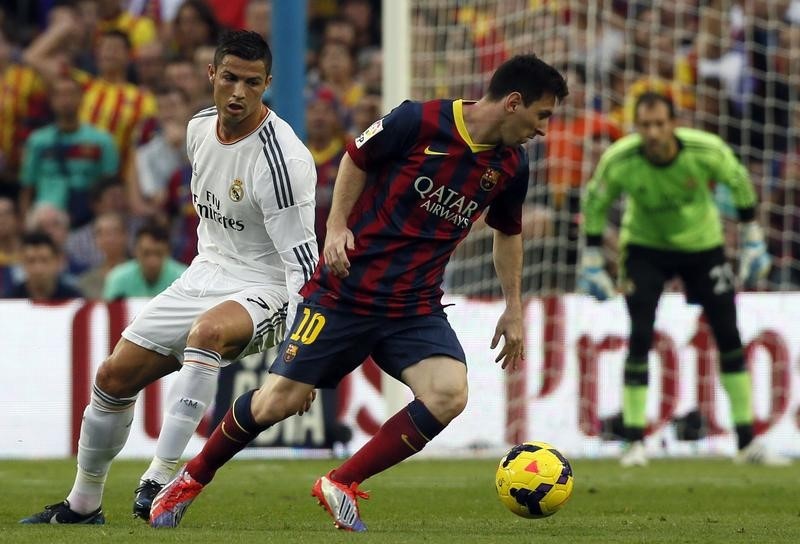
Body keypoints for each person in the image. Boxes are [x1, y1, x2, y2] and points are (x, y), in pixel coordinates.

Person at [149, 54, 569, 531]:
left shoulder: (512, 165)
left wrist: (514, 308)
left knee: (449, 394)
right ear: (514, 103)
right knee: (276, 402)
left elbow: (508, 232)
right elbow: (355, 156)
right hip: (345, 292)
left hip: (414, 306)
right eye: (542, 115)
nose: (542, 129)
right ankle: (189, 479)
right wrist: (335, 228)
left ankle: (341, 482)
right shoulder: (419, 119)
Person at [20, 29, 318, 525]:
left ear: (268, 83)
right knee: (113, 377)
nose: (238, 93)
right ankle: (83, 503)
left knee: (208, 334)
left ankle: (161, 480)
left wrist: (301, 360)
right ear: (211, 76)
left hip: (270, 285)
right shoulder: (199, 128)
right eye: (229, 79)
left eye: (252, 82)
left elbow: (303, 268)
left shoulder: (282, 160)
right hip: (207, 272)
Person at [577, 92, 789, 467]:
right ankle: (635, 442)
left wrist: (753, 235)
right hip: (644, 248)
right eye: (645, 125)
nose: (654, 133)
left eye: (660, 124)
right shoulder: (620, 160)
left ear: (674, 123)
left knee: (728, 333)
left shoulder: (705, 150)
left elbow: (738, 181)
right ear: (636, 127)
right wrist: (593, 256)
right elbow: (596, 202)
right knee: (640, 333)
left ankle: (745, 442)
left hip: (702, 247)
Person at [103, 222, 186, 300]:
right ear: (135, 251)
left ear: (168, 252)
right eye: (146, 253)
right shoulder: (118, 278)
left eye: (159, 253)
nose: (152, 261)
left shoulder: (184, 278)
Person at [5, 231, 82, 301]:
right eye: (31, 261)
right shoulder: (10, 301)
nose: (38, 268)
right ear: (22, 263)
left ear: (57, 262)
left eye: (44, 260)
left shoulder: (74, 300)